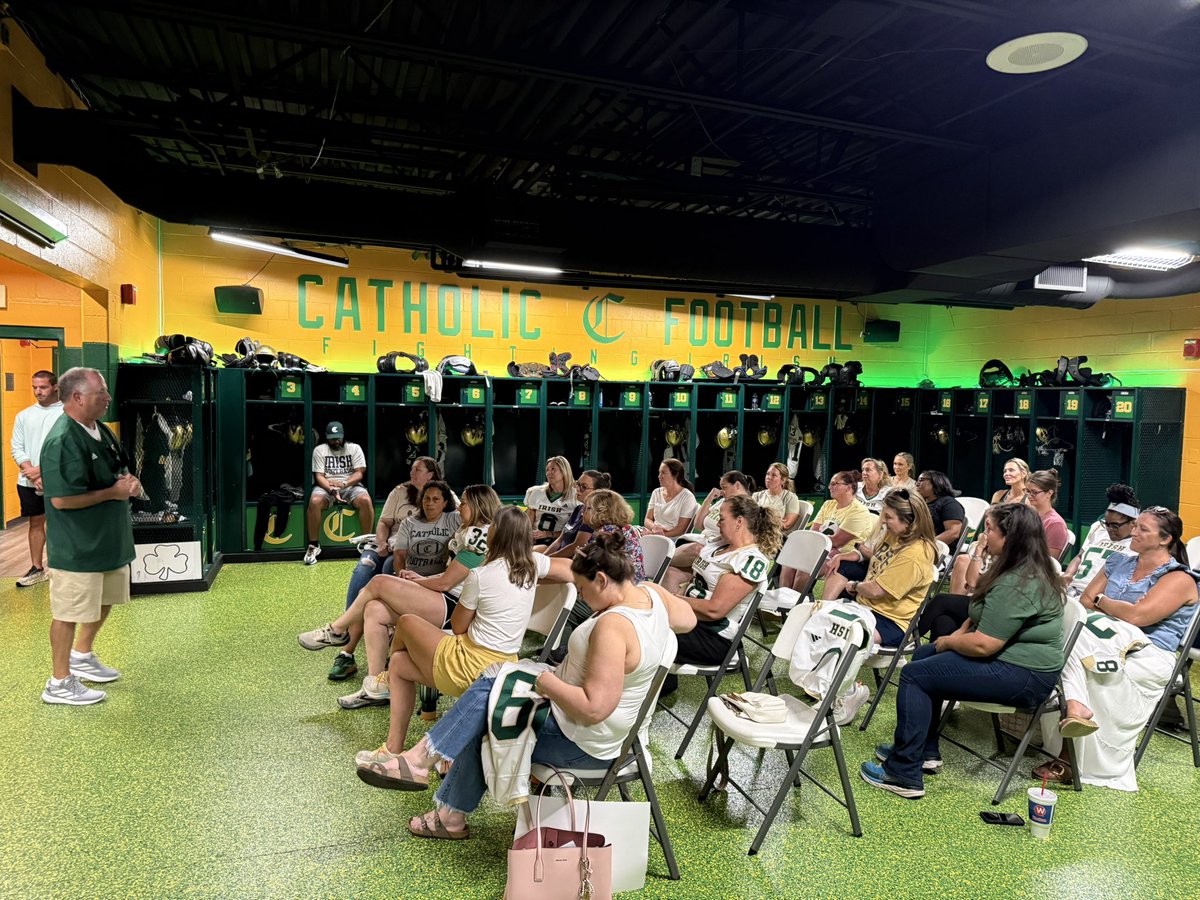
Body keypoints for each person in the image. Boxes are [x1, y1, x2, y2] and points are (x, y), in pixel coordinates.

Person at [355, 531, 697, 845]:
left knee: (490, 709)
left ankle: (428, 777)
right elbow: (689, 619)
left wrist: (545, 681)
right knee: (495, 682)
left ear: (604, 579)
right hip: (617, 732)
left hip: (586, 743)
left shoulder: (613, 626)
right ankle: (433, 785)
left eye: (583, 587)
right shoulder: (650, 595)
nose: (581, 594)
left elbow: (594, 708)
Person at [861, 503, 1065, 798]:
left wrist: (948, 641)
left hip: (1025, 675)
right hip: (1009, 661)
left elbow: (984, 644)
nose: (985, 534)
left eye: (990, 529)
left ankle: (903, 773)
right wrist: (958, 632)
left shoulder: (1020, 582)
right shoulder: (1015, 568)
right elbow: (981, 606)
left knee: (916, 675)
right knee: (923, 655)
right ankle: (924, 752)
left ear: (1011, 537)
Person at [356, 506, 551, 768]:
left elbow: (459, 627)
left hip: (468, 665)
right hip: (505, 667)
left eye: (492, 526)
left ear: (497, 535)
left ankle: (385, 679)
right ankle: (393, 748)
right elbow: (567, 567)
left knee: (406, 621)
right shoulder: (533, 566)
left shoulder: (481, 576)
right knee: (402, 664)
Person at [1034, 507, 1197, 790]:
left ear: (1164, 539)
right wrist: (1116, 606)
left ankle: (1070, 747)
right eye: (1135, 527)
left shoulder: (1180, 579)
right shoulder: (1118, 561)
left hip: (1149, 653)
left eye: (1142, 529)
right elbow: (1085, 599)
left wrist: (1104, 601)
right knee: (1067, 633)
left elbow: (1139, 617)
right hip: (1103, 637)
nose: (1133, 532)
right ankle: (1075, 709)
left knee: (1071, 639)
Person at [298, 485, 500, 708]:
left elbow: (446, 582)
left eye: (465, 502)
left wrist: (415, 581)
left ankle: (337, 630)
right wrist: (417, 577)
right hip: (447, 598)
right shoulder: (470, 529)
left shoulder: (480, 534)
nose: (460, 507)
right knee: (374, 608)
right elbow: (453, 574)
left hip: (457, 608)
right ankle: (376, 686)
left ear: (479, 506)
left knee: (379, 582)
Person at [39, 367, 139, 706]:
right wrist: (113, 493)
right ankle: (59, 681)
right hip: (77, 545)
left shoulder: (98, 429)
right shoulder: (62, 440)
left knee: (105, 598)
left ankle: (82, 655)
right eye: (101, 394)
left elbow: (118, 468)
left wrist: (129, 482)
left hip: (108, 541)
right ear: (78, 398)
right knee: (68, 612)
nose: (108, 398)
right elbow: (61, 499)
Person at [330, 457, 449, 680]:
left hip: (412, 553)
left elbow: (462, 520)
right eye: (411, 468)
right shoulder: (400, 492)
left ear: (430, 475)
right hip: (387, 544)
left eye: (417, 470)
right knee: (364, 568)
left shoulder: (444, 495)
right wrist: (382, 542)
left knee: (388, 569)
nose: (411, 473)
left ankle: (384, 633)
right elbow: (384, 523)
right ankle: (346, 640)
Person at [664, 496, 781, 693]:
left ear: (739, 522)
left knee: (645, 628)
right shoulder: (718, 545)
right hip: (691, 621)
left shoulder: (749, 560)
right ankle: (660, 682)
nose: (717, 523)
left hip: (713, 638)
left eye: (722, 519)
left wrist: (672, 600)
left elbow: (714, 610)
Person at [827, 489, 937, 647]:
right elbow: (874, 557)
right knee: (820, 621)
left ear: (909, 521)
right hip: (864, 606)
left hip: (889, 621)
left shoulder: (915, 553)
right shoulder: (895, 534)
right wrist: (845, 555)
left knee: (837, 639)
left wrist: (855, 586)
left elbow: (876, 590)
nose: (883, 521)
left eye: (888, 517)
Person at [779, 470, 874, 594]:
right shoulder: (828, 504)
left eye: (835, 484)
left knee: (806, 566)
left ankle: (794, 604)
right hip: (821, 549)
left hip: (843, 554)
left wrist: (813, 545)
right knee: (789, 561)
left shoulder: (859, 511)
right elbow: (813, 531)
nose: (830, 487)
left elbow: (837, 542)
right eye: (830, 483)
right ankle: (782, 600)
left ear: (849, 488)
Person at [11, 369, 64, 587]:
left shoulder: (66, 414)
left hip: (59, 479)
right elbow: (17, 447)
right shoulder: (24, 415)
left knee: (61, 523)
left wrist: (42, 471)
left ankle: (62, 568)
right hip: (28, 480)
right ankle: (37, 568)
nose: (38, 392)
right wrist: (31, 472)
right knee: (35, 522)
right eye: (34, 387)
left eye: (42, 387)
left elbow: (67, 448)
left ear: (55, 387)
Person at [304, 421, 374, 565]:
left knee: (366, 500)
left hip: (350, 485)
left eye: (338, 438)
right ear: (326, 437)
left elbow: (360, 473)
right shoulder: (320, 450)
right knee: (315, 501)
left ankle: (366, 545)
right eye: (332, 438)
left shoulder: (354, 448)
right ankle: (313, 546)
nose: (335, 441)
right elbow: (319, 476)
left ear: (343, 436)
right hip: (327, 486)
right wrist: (332, 489)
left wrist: (344, 484)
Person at [1060, 484, 1138, 599]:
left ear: (1133, 523)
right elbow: (1080, 556)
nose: (1109, 529)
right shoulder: (1098, 528)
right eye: (1106, 524)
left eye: (1115, 526)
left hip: (1097, 596)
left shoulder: (1138, 543)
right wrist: (1068, 574)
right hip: (1073, 588)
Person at [670, 470, 755, 573]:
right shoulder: (722, 502)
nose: (722, 491)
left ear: (737, 485)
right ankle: (659, 565)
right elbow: (698, 525)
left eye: (724, 487)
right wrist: (709, 499)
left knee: (695, 549)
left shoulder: (746, 507)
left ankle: (657, 563)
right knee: (670, 574)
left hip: (715, 549)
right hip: (701, 542)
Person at [539, 469, 609, 558]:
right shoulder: (578, 509)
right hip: (558, 557)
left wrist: (548, 560)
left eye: (583, 487)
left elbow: (577, 546)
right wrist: (544, 558)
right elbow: (560, 540)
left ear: (597, 491)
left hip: (572, 563)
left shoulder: (594, 515)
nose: (577, 489)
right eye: (578, 484)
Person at [524, 456, 579, 545]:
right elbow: (528, 523)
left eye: (553, 469)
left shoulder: (575, 496)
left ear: (564, 471)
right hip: (535, 539)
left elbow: (572, 530)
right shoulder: (535, 492)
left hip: (559, 541)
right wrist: (529, 537)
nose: (549, 472)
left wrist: (548, 534)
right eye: (547, 469)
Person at [644, 459, 699, 538]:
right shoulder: (656, 492)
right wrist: (654, 527)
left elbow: (681, 529)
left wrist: (657, 535)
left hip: (671, 539)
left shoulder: (687, 497)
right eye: (659, 472)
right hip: (654, 535)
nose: (659, 476)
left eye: (663, 473)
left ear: (675, 475)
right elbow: (647, 519)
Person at [915, 470, 965, 553]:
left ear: (936, 482)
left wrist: (924, 546)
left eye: (921, 480)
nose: (917, 483)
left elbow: (953, 532)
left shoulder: (949, 503)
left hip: (941, 553)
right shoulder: (922, 504)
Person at [1024, 468, 1069, 559]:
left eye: (1034, 492)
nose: (1029, 496)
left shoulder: (1055, 523)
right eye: (1027, 491)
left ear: (1049, 493)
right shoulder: (1027, 514)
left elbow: (1049, 561)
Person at [753, 462, 802, 531]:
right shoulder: (756, 496)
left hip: (777, 536)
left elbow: (786, 525)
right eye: (767, 474)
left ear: (783, 480)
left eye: (774, 475)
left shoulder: (790, 497)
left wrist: (764, 526)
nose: (768, 477)